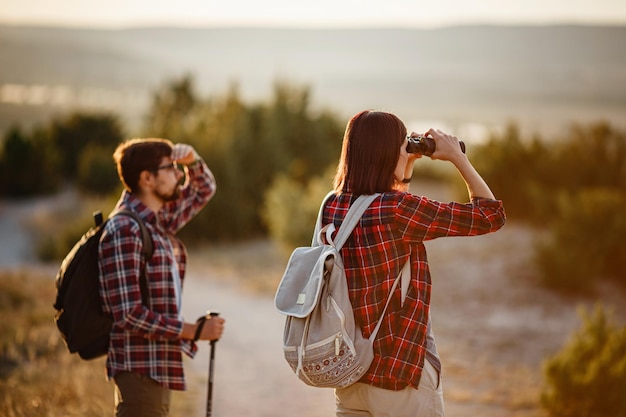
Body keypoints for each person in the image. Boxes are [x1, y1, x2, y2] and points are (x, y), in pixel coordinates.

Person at [324, 110, 506, 417]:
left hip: (350, 373)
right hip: (401, 375)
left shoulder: (332, 204)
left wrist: (404, 167)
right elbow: (490, 216)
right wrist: (458, 159)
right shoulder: (397, 210)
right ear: (385, 153)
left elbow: (384, 220)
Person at [98, 138, 225, 417]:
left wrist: (191, 160)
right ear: (146, 178)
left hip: (156, 367)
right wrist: (192, 331)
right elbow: (128, 314)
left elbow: (204, 189)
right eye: (170, 168)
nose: (179, 175)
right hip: (140, 371)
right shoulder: (124, 229)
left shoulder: (155, 222)